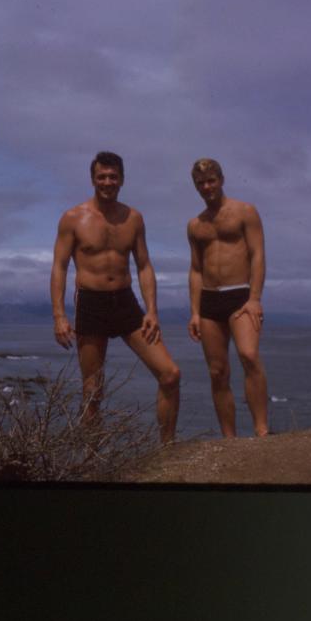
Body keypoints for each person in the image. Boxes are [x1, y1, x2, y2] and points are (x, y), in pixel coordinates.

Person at [51, 151, 181, 441]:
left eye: (113, 177)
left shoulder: (133, 218)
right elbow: (59, 268)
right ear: (92, 179)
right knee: (93, 391)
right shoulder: (73, 218)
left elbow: (144, 265)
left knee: (170, 374)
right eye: (102, 177)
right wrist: (59, 316)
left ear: (122, 179)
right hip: (91, 304)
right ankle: (90, 461)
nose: (107, 182)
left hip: (125, 302)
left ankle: (168, 452)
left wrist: (152, 311)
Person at [187, 158, 269, 437]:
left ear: (221, 179)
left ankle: (261, 431)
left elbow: (258, 255)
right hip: (209, 300)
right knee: (217, 372)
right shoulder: (195, 225)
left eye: (211, 180)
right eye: (201, 183)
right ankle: (229, 439)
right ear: (195, 186)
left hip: (240, 296)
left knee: (248, 355)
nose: (207, 186)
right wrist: (195, 312)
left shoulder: (245, 212)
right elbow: (196, 269)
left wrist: (255, 297)